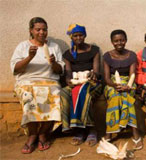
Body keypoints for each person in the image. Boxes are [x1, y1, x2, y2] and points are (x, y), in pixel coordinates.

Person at [10, 17, 64, 153]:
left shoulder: (53, 46)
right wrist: (29, 57)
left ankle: (43, 134)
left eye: (44, 29)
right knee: (30, 95)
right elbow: (16, 69)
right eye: (38, 29)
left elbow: (60, 70)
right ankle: (32, 135)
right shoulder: (23, 46)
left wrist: (53, 63)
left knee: (55, 95)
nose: (42, 32)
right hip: (27, 81)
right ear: (31, 31)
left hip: (50, 81)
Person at [60, 24, 102, 146]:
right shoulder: (68, 54)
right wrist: (69, 80)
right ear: (71, 37)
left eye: (81, 35)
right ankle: (76, 129)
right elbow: (68, 73)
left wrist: (93, 75)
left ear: (85, 35)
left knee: (83, 91)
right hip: (76, 83)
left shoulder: (94, 50)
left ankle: (91, 129)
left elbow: (97, 71)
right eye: (75, 36)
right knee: (64, 92)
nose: (78, 38)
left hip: (93, 83)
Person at [103, 29, 143, 150]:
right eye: (116, 41)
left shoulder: (131, 55)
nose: (119, 43)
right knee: (115, 96)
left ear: (126, 40)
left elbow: (132, 75)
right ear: (112, 42)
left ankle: (134, 133)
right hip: (112, 84)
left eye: (122, 40)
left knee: (127, 96)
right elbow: (106, 78)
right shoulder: (107, 56)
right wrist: (115, 86)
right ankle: (110, 132)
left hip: (128, 83)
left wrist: (127, 86)